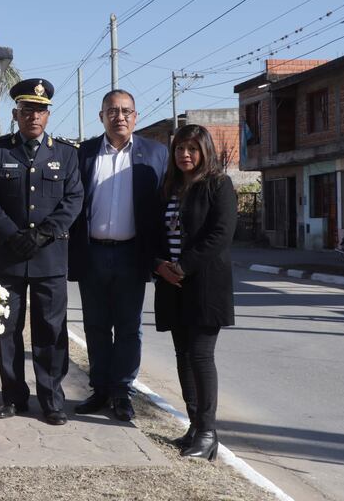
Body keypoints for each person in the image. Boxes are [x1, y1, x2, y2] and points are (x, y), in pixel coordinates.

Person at [0, 78, 83, 426]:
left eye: (39, 110)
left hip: (49, 257)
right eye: (26, 110)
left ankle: (52, 400)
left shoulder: (66, 154)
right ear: (16, 113)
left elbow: (73, 200)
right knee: (7, 330)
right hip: (8, 257)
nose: (33, 116)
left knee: (50, 331)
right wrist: (11, 235)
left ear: (48, 115)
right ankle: (13, 398)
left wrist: (43, 235)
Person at [68, 90, 167, 422]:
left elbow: (166, 206)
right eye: (112, 111)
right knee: (95, 326)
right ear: (101, 117)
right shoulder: (84, 154)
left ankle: (122, 392)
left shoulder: (156, 154)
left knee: (128, 327)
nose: (119, 117)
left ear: (136, 116)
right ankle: (99, 389)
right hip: (92, 252)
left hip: (131, 253)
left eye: (126, 111)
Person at [154, 124, 237, 461]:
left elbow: (220, 234)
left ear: (205, 151)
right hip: (171, 285)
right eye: (179, 149)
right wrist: (159, 264)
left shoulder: (219, 185)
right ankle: (193, 426)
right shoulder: (170, 188)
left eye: (192, 149)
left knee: (201, 356)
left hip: (203, 285)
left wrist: (183, 266)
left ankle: (207, 432)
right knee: (182, 356)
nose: (185, 155)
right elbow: (156, 232)